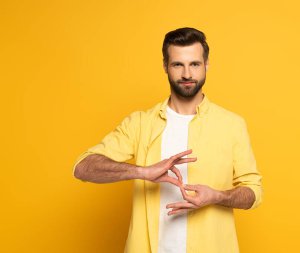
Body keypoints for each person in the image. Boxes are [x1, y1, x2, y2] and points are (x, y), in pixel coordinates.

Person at [73, 27, 263, 253]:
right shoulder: (140, 123)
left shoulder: (231, 125)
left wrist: (217, 196)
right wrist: (142, 172)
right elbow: (83, 168)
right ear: (165, 66)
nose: (187, 74)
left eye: (194, 64)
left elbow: (253, 192)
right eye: (177, 65)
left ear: (206, 65)